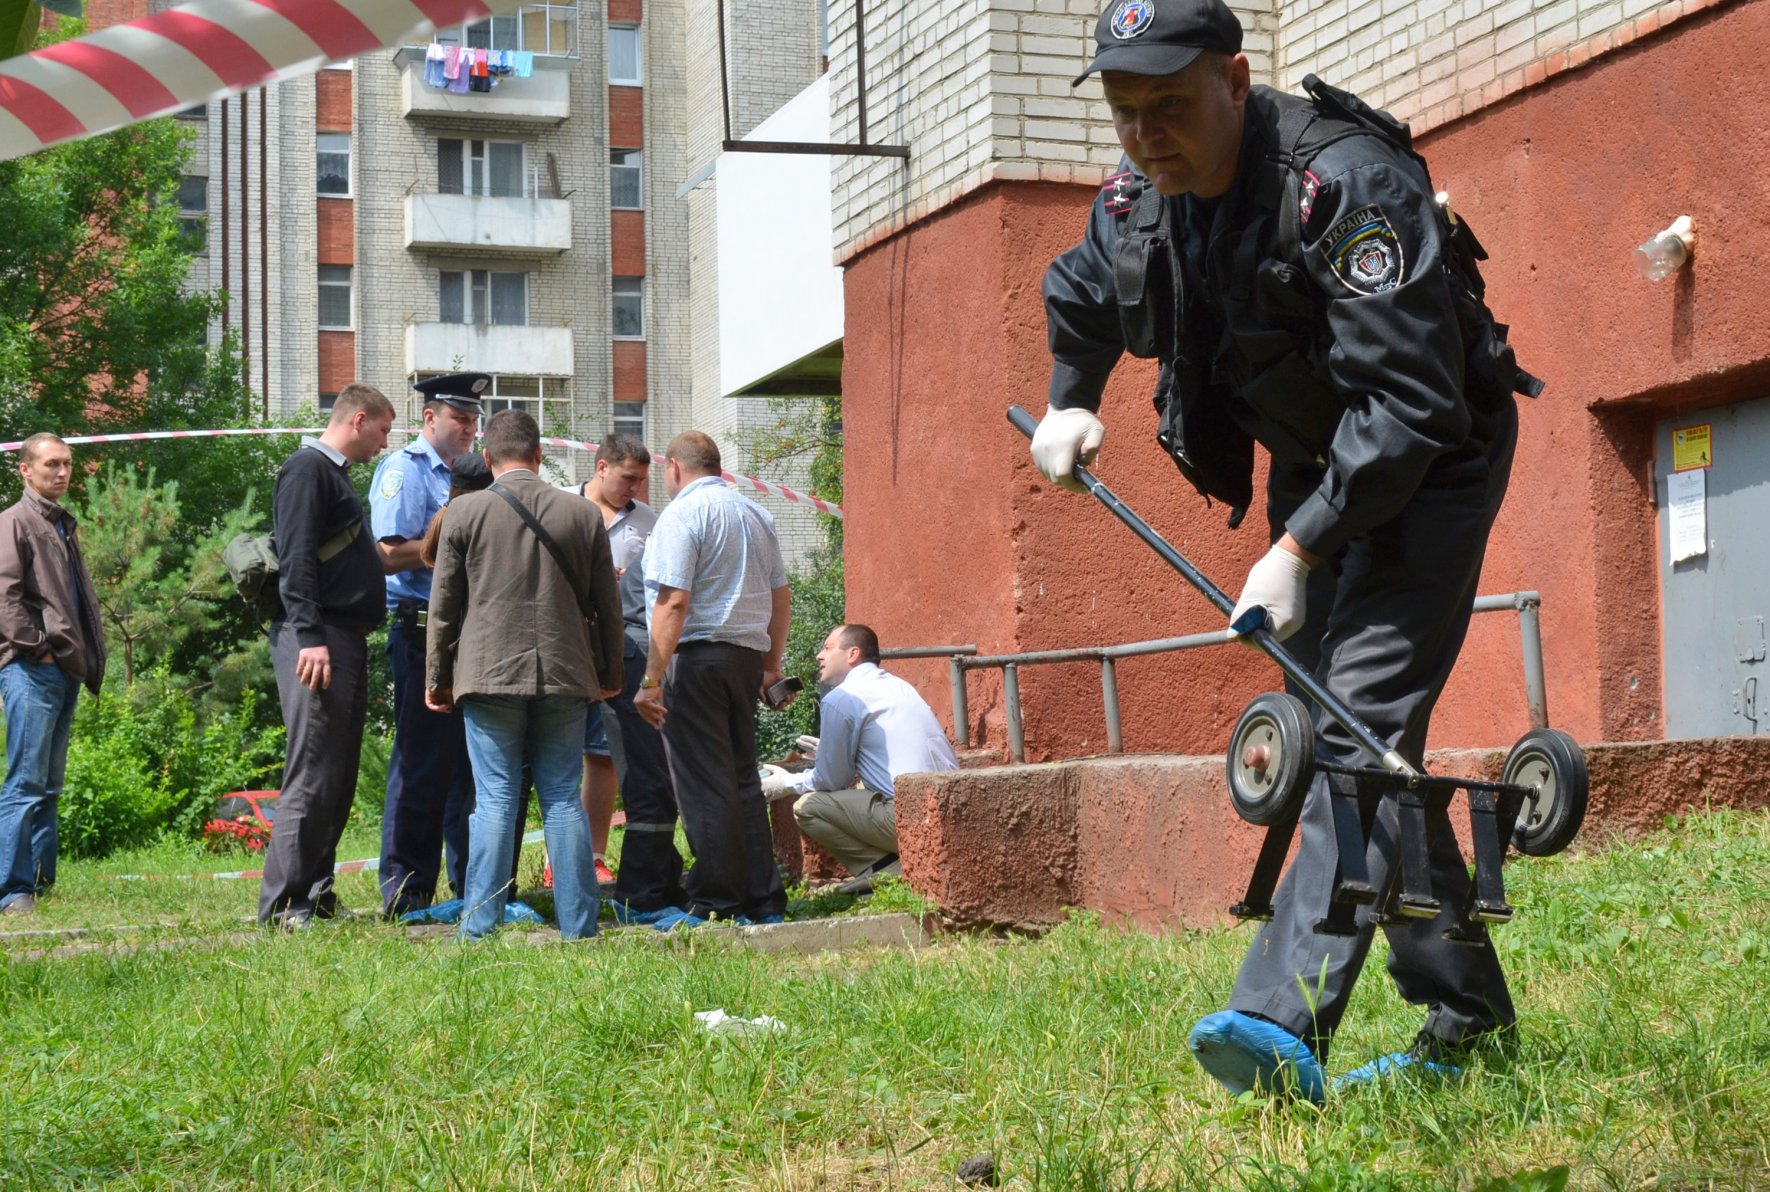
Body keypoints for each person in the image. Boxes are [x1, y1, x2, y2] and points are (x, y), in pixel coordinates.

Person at [1035, 0, 1538, 1099]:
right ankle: (1469, 1018)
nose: (1145, 134)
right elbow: (1081, 290)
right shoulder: (1140, 197)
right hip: (1318, 456)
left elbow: (1411, 403)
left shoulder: (1344, 183)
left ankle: (1278, 1023)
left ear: (1235, 79)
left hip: (1434, 447)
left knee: (1354, 725)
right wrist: (1071, 401)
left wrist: (1301, 550)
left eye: (1168, 105)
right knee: (1352, 738)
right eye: (1124, 112)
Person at [426, 410, 623, 940]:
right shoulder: (583, 514)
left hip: (486, 674)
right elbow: (608, 603)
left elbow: (444, 606)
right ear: (540, 455)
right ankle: (580, 928)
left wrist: (437, 679)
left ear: (487, 460)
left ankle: (478, 927)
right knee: (562, 795)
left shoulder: (464, 514)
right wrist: (609, 673)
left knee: (494, 797)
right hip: (566, 672)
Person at [634, 431, 792, 925]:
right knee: (742, 779)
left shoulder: (682, 514)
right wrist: (772, 665)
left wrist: (651, 678)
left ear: (675, 468)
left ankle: (717, 901)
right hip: (745, 659)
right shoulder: (755, 513)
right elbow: (780, 595)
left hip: (697, 658)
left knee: (703, 784)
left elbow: (673, 601)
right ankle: (763, 898)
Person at [259, 384, 395, 928]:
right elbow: (294, 558)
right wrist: (310, 635)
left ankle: (315, 894)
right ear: (358, 419)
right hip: (317, 638)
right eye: (383, 430)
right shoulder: (306, 469)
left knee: (335, 775)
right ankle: (284, 907)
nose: (384, 442)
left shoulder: (332, 474)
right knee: (312, 772)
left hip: (342, 636)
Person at [370, 372, 484, 917]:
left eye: (475, 418)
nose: (469, 427)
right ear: (430, 418)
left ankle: (471, 889)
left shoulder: (474, 473)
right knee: (420, 763)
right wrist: (450, 547)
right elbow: (387, 553)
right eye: (459, 417)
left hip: (470, 633)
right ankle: (407, 890)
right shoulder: (405, 470)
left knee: (467, 768)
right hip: (418, 630)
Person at [762, 624, 958, 893]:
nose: (820, 655)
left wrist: (786, 783)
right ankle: (899, 864)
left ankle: (888, 869)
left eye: (828, 648)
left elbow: (832, 780)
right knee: (864, 788)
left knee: (808, 806)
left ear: (852, 654)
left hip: (912, 820)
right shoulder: (898, 685)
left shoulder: (842, 698)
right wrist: (832, 751)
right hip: (951, 813)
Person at [0, 434, 107, 916]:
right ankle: (11, 890)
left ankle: (41, 883)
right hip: (31, 670)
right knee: (24, 783)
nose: (61, 473)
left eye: (67, 464)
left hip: (64, 671)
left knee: (49, 786)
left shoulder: (62, 524)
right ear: (25, 469)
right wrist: (36, 649)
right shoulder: (14, 522)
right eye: (51, 465)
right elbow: (4, 597)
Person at [570, 432, 659, 889]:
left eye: (642, 481)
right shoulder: (561, 504)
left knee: (605, 753)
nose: (635, 490)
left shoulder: (649, 521)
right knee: (557, 752)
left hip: (620, 652)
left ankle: (595, 855)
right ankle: (559, 859)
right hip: (565, 645)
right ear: (601, 467)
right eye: (628, 478)